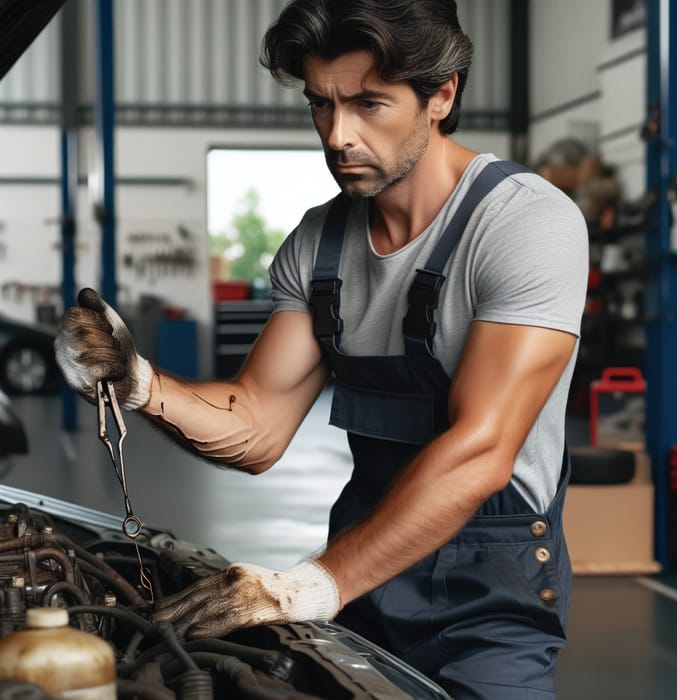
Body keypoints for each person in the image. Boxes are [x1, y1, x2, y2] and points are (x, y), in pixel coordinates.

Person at [54, 1, 588, 697]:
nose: (339, 135)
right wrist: (140, 382)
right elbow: (255, 425)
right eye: (322, 105)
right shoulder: (319, 245)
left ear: (442, 94)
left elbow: (482, 452)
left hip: (489, 598)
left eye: (370, 104)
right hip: (364, 575)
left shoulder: (524, 224)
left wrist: (312, 584)